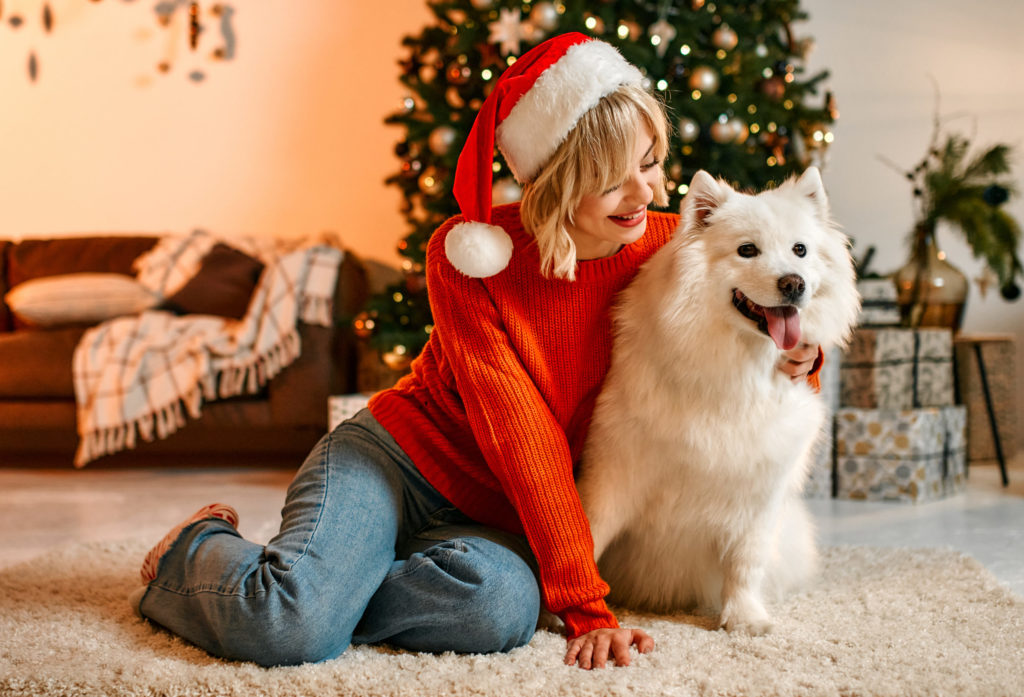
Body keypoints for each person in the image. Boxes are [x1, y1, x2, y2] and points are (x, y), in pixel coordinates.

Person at [132, 33, 821, 670]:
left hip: (499, 515)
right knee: (290, 628)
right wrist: (585, 604)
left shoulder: (680, 246)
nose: (648, 193)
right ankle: (196, 552)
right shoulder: (470, 260)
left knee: (499, 608)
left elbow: (761, 299)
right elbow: (521, 434)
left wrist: (799, 358)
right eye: (615, 179)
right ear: (555, 179)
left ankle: (333, 582)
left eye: (651, 163)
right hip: (398, 463)